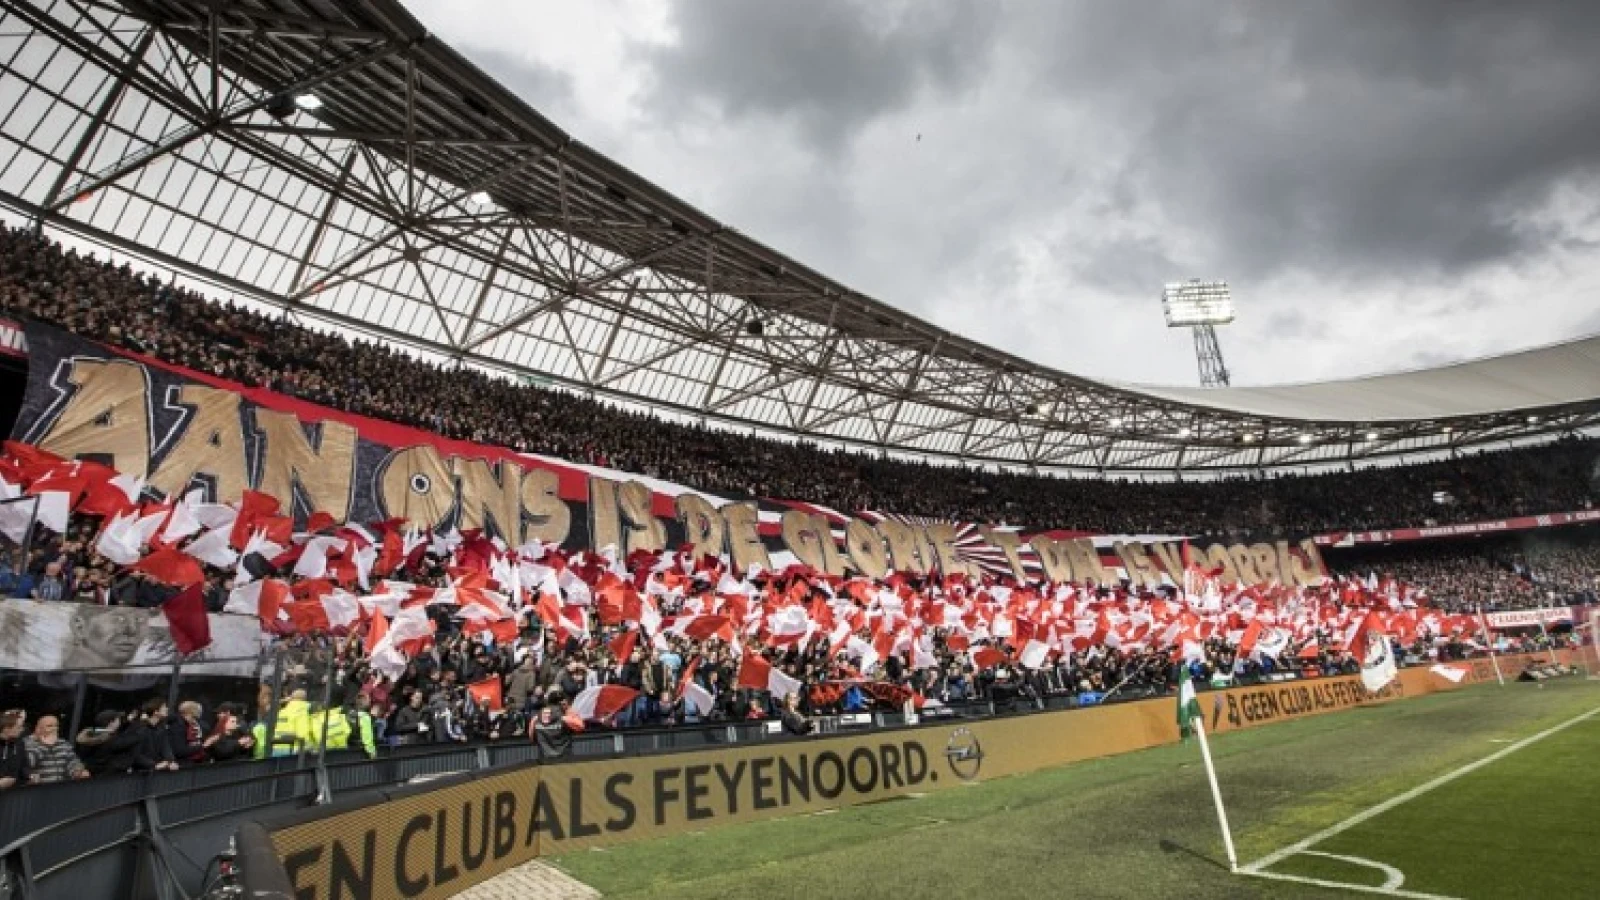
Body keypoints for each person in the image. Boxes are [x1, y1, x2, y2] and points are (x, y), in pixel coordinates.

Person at [24, 715, 89, 782]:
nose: (54, 729)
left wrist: (78, 772)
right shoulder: (27, 743)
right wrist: (45, 746)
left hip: (60, 787)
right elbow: (27, 764)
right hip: (39, 787)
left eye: (56, 726)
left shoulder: (63, 743)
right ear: (38, 728)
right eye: (49, 726)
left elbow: (73, 761)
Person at [0, 711, 30, 789]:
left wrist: (30, 777)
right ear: (6, 729)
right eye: (18, 727)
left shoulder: (19, 744)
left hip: (16, 793)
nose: (22, 730)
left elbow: (24, 766)